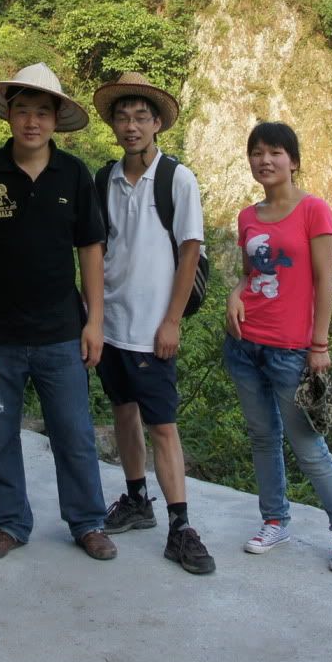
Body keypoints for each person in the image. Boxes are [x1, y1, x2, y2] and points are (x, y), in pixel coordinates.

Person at [0, 63, 117, 562]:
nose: (32, 122)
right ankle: (9, 523)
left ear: (55, 120)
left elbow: (90, 249)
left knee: (74, 434)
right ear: (8, 115)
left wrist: (94, 321)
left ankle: (87, 522)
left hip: (61, 335)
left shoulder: (75, 174)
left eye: (42, 113)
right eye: (23, 111)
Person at [224, 121, 332, 573]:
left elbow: (326, 281)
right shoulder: (247, 216)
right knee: (263, 439)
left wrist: (319, 344)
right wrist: (234, 295)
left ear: (294, 161)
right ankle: (274, 521)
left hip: (291, 351)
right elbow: (251, 274)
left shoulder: (313, 211)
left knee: (309, 448)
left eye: (275, 152)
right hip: (245, 345)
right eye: (257, 152)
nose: (264, 160)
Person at [92, 74, 215, 575]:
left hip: (153, 328)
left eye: (141, 117)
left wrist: (172, 322)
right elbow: (97, 251)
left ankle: (180, 526)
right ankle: (137, 499)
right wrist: (94, 318)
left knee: (163, 426)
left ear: (157, 123)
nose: (131, 126)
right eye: (123, 117)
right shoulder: (104, 179)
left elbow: (190, 252)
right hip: (112, 323)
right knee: (123, 411)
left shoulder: (176, 179)